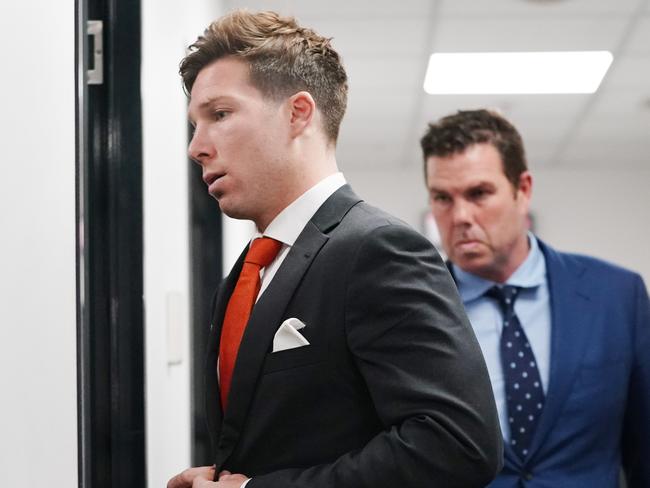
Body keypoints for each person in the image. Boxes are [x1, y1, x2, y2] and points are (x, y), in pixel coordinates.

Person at [167, 10, 502, 488]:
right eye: (194, 124)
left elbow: (455, 445)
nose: (196, 146)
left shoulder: (378, 249)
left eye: (220, 114)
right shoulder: (247, 271)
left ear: (297, 113)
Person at [420, 109, 650, 487]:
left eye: (479, 193)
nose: (460, 216)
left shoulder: (617, 296)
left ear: (522, 190)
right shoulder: (412, 308)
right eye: (442, 197)